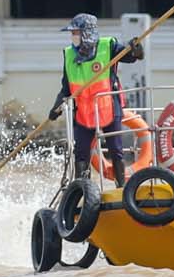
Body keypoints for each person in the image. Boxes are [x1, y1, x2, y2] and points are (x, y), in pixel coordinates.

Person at [48, 13, 145, 184]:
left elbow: (131, 57)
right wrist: (57, 107)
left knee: (116, 150)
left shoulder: (108, 46)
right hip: (84, 112)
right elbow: (66, 87)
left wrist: (135, 48)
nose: (73, 37)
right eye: (72, 33)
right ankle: (81, 190)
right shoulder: (69, 54)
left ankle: (121, 189)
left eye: (76, 32)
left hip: (108, 107)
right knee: (81, 152)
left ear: (87, 33)